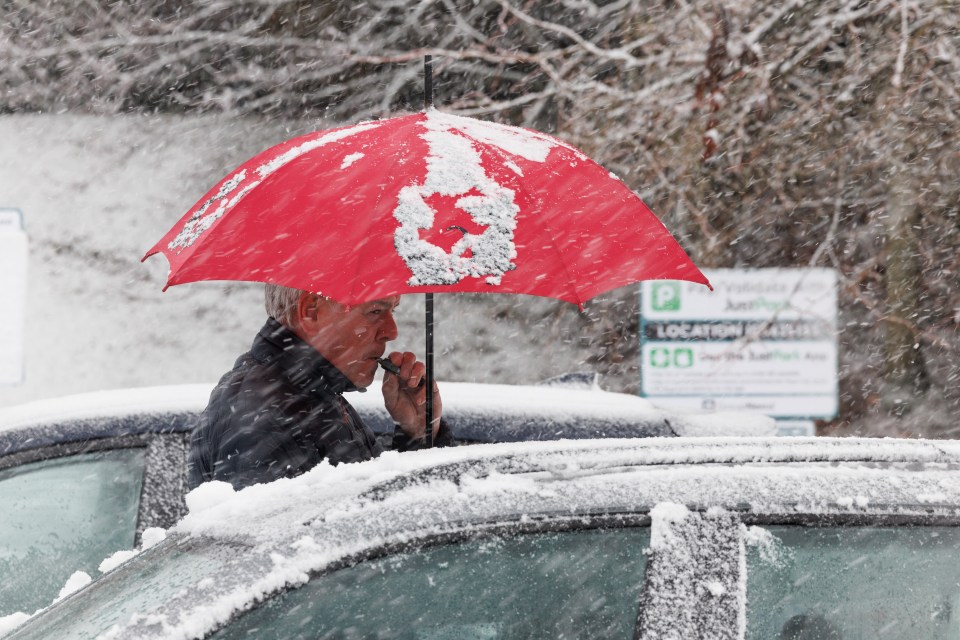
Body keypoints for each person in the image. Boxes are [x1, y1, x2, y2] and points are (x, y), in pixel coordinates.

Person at [188, 283, 451, 490]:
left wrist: (418, 434)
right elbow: (285, 554)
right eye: (375, 311)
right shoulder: (269, 414)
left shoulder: (308, 394)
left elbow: (380, 522)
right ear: (310, 311)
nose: (392, 331)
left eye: (392, 311)